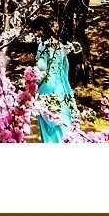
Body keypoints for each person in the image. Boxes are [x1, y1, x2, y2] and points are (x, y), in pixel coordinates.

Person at [30, 15, 74, 143]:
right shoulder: (59, 44)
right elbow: (66, 66)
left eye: (36, 30)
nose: (36, 34)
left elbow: (41, 67)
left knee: (49, 117)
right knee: (63, 117)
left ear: (42, 29)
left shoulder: (43, 45)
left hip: (47, 85)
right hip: (62, 85)